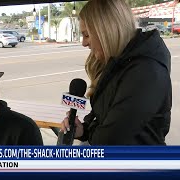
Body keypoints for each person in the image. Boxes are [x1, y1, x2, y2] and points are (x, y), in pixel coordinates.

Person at [61, 0, 172, 145]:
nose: (84, 43)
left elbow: (111, 138)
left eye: (87, 35)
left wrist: (91, 132)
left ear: (106, 31)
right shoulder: (120, 61)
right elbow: (104, 115)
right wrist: (84, 129)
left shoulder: (145, 72)